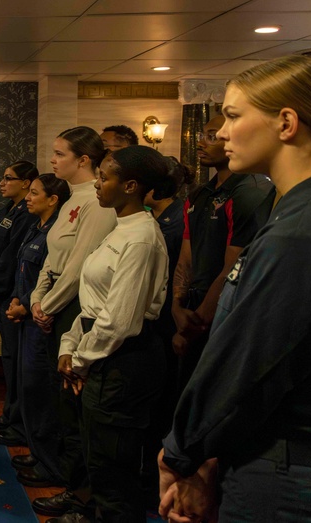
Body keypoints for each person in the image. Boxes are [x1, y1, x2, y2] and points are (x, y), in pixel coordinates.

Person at [160, 54, 311, 523]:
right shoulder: (290, 212)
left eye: (231, 116)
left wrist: (181, 453)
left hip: (282, 462)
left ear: (286, 122)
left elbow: (250, 362)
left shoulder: (299, 231)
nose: (221, 133)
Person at [56, 146, 172, 522]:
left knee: (114, 471)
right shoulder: (122, 229)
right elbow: (94, 304)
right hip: (102, 353)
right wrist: (69, 347)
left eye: (104, 177)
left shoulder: (140, 237)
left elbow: (119, 321)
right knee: (99, 458)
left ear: (131, 186)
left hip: (123, 361)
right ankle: (88, 509)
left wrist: (81, 361)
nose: (97, 183)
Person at [27, 126, 117, 515]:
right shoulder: (70, 198)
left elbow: (80, 264)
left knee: (70, 400)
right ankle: (64, 473)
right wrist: (37, 297)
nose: (52, 160)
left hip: (74, 307)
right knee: (55, 396)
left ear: (84, 160)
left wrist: (50, 305)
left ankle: (77, 488)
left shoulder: (97, 202)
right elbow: (53, 255)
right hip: (53, 302)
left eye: (60, 154)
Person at [171, 115, 271, 395]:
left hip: (222, 316)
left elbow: (234, 268)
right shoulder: (200, 194)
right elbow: (186, 258)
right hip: (193, 310)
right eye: (202, 135)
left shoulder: (250, 191)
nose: (201, 142)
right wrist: (177, 308)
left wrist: (196, 324)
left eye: (212, 135)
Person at [5, 173, 71, 485]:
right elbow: (25, 269)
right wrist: (18, 298)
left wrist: (25, 303)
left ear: (53, 199)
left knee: (40, 391)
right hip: (25, 314)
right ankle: (36, 449)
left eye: (34, 193)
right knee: (27, 388)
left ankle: (50, 465)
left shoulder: (59, 231)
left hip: (40, 322)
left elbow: (53, 276)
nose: (28, 198)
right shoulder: (36, 226)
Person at [140, 156, 194, 510]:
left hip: (167, 327)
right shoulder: (151, 219)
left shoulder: (178, 220)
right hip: (151, 325)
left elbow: (183, 271)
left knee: (162, 408)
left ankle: (153, 488)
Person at [0, 161, 40, 447]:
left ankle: (17, 420)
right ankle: (11, 414)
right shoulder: (7, 211)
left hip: (12, 292)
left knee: (16, 358)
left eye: (8, 178)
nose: (2, 183)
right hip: (0, 289)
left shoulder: (27, 215)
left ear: (27, 183)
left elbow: (11, 255)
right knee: (9, 355)